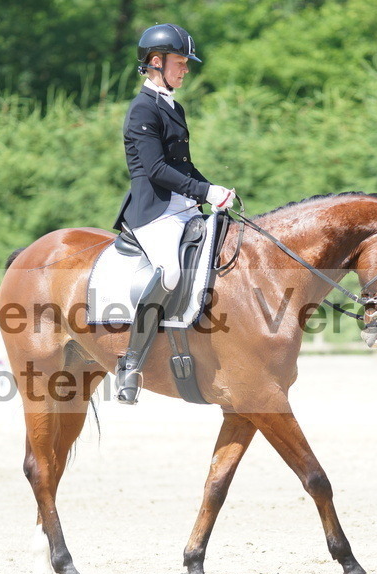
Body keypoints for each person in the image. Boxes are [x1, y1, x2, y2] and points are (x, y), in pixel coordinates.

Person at [112, 23, 236, 405]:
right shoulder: (141, 110)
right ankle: (130, 363)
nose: (185, 70)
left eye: (185, 63)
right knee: (171, 273)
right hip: (154, 213)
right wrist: (203, 191)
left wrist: (214, 190)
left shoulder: (172, 106)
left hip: (183, 207)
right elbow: (157, 170)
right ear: (156, 62)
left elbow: (183, 164)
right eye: (180, 63)